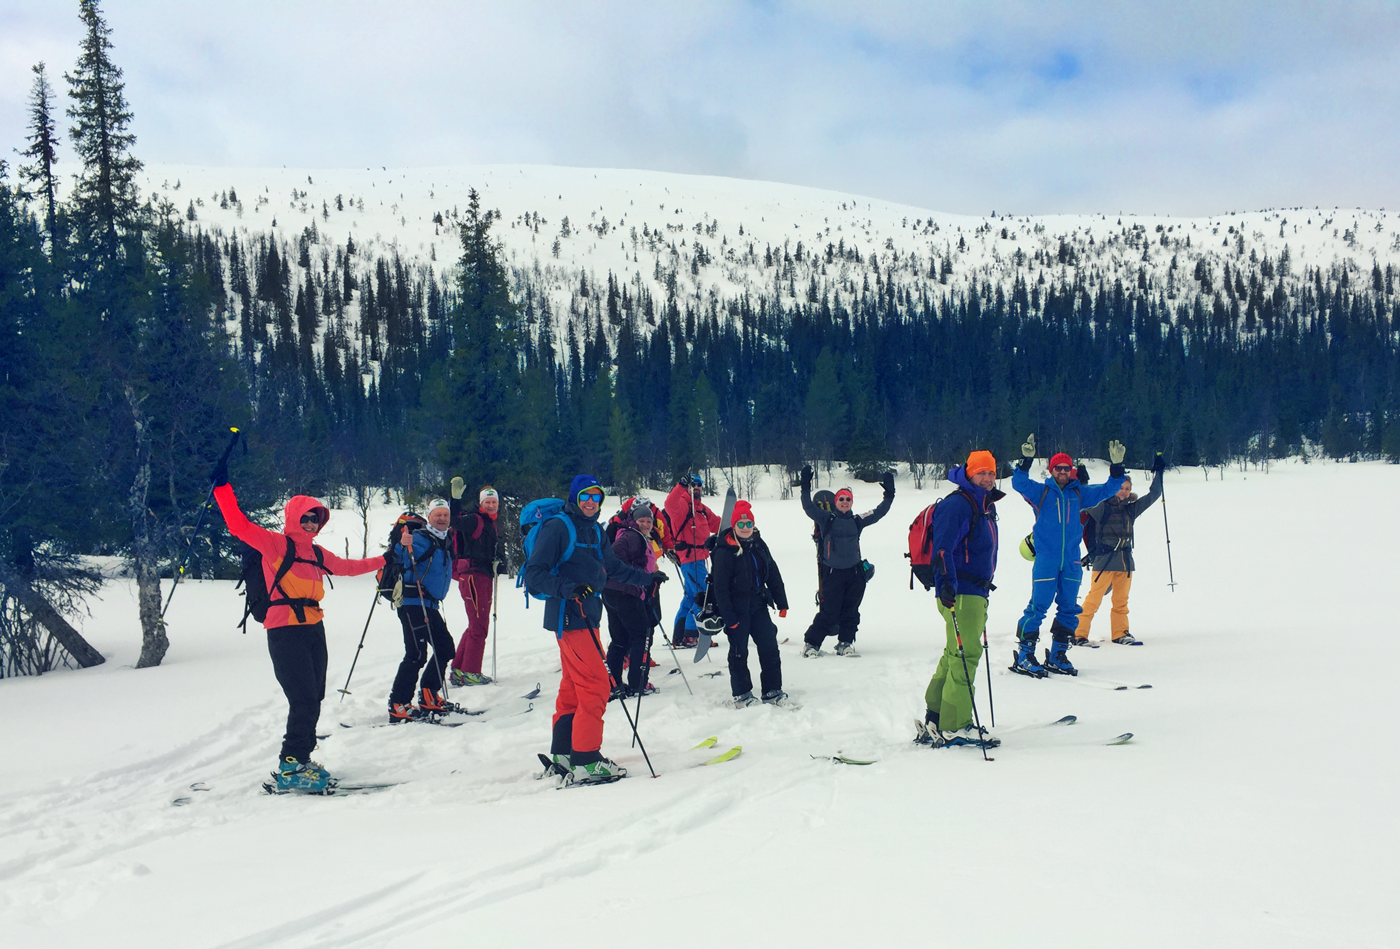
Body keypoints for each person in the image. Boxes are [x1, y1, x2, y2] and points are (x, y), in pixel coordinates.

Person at [212, 467, 389, 793]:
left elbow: (349, 568)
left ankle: (302, 760)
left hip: (314, 628)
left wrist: (384, 560)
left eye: (315, 519)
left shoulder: (316, 553)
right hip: (285, 631)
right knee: (303, 699)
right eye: (305, 517)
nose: (310, 523)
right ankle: (290, 765)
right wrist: (223, 488)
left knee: (315, 696)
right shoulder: (275, 545)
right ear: (294, 517)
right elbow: (238, 525)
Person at [524, 476, 669, 784]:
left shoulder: (593, 529)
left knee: (574, 686)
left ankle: (564, 753)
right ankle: (587, 759)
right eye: (585, 496)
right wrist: (568, 589)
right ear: (575, 497)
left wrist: (648, 578)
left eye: (596, 497)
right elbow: (534, 575)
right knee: (596, 685)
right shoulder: (559, 527)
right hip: (569, 615)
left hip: (588, 616)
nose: (591, 501)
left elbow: (613, 567)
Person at [1010, 434, 1125, 677]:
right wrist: (1026, 462)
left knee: (1069, 608)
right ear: (1051, 471)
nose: (1062, 471)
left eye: (1066, 468)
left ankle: (1058, 654)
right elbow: (1019, 483)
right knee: (1038, 607)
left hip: (1071, 562)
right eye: (1058, 468)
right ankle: (1025, 654)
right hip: (1046, 561)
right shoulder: (1041, 493)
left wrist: (1116, 468)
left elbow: (1109, 489)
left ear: (1070, 470)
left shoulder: (1079, 494)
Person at [916, 451, 1003, 748]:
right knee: (966, 656)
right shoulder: (959, 505)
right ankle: (956, 725)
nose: (988, 478)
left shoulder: (982, 504)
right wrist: (947, 586)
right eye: (981, 473)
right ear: (968, 474)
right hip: (961, 592)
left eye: (991, 473)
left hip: (973, 591)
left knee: (955, 654)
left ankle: (936, 716)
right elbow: (943, 550)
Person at [799, 465, 894, 657]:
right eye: (841, 499)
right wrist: (805, 487)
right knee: (829, 612)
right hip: (833, 573)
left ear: (851, 503)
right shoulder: (827, 519)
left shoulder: (858, 520)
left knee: (851, 610)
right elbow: (808, 507)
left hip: (854, 573)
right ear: (836, 502)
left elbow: (879, 512)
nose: (844, 502)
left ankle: (845, 643)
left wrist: (889, 495)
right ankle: (811, 644)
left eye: (847, 499)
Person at [709, 500, 792, 707]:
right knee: (739, 652)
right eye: (741, 524)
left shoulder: (758, 544)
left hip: (758, 603)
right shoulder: (725, 550)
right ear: (734, 526)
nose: (745, 528)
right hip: (735, 608)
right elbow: (720, 588)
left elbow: (772, 572)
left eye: (749, 524)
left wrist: (781, 602)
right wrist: (729, 618)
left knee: (769, 647)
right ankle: (742, 694)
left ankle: (772, 691)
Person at [1077, 455, 1165, 645]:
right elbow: (1084, 499)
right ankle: (1078, 634)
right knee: (1093, 600)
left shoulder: (1130, 510)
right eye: (1121, 488)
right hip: (1104, 561)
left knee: (1121, 602)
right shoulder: (1101, 507)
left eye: (1127, 489)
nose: (1124, 492)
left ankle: (1120, 633)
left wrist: (1158, 473)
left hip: (1125, 562)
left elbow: (1153, 495)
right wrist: (1081, 481)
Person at [387, 499, 458, 722]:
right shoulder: (420, 538)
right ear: (429, 517)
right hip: (412, 603)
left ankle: (428, 695)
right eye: (437, 514)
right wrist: (402, 542)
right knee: (416, 654)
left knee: (445, 648)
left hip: (429, 604)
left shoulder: (444, 541)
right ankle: (398, 703)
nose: (442, 518)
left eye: (445, 515)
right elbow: (400, 554)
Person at [448, 480, 506, 686]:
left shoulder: (489, 522)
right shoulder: (474, 519)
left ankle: (459, 669)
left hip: (479, 576)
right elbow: (453, 521)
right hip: (474, 576)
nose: (491, 505)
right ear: (481, 503)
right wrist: (455, 500)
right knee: (479, 626)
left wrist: (499, 562)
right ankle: (471, 672)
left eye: (493, 502)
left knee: (475, 624)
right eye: (487, 502)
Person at [603, 499, 662, 699]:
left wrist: (651, 578)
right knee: (641, 636)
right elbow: (614, 557)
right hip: (625, 593)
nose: (645, 524)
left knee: (619, 639)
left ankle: (613, 684)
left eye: (649, 521)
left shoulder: (631, 535)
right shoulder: (631, 536)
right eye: (641, 520)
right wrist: (642, 577)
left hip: (612, 592)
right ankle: (638, 683)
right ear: (633, 520)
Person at [662, 474, 721, 648]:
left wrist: (739, 522)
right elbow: (669, 505)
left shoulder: (702, 509)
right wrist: (680, 485)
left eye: (699, 485)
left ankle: (680, 636)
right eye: (693, 485)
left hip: (701, 559)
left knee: (689, 598)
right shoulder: (681, 505)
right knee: (702, 596)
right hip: (690, 559)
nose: (696, 487)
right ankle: (692, 634)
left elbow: (717, 524)